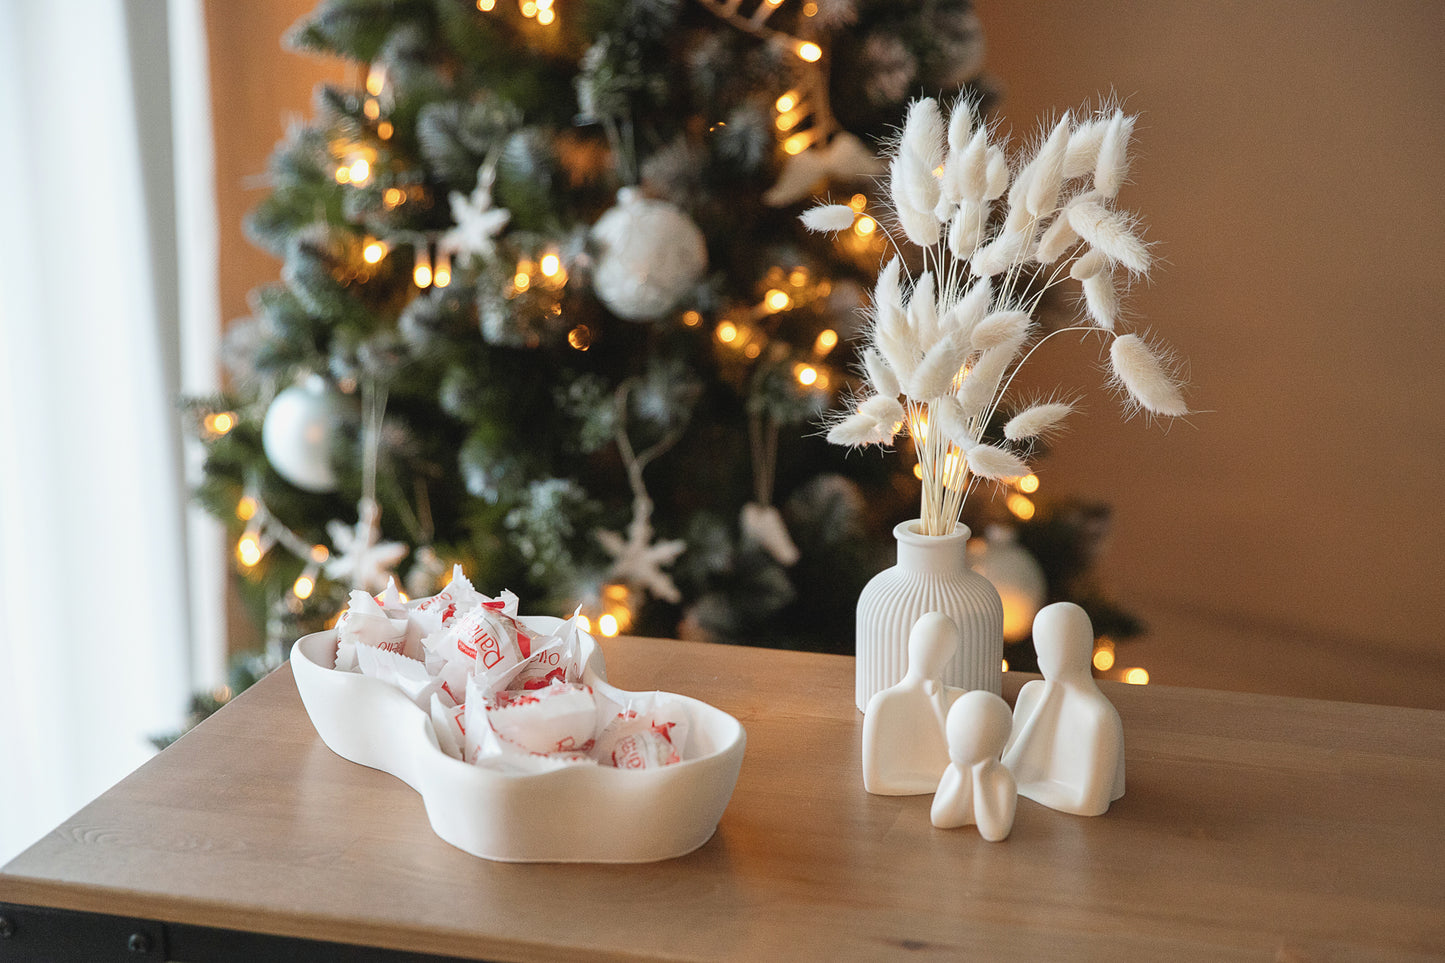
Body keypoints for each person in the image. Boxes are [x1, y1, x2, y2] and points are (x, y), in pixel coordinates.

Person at [1002, 602, 1125, 816]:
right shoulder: (1032, 694)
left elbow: (1090, 804)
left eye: (1050, 648)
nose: (1041, 659)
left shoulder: (1098, 717)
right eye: (1039, 649)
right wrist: (1050, 696)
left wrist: (1024, 787)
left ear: (1078, 647)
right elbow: (1008, 770)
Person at [862, 612, 963, 795]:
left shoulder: (957, 700)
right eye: (926, 644)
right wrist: (945, 785)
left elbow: (964, 766)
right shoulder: (883, 703)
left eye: (943, 648)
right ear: (911, 645)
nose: (932, 653)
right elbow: (875, 782)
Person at [930, 690, 1017, 840]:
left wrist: (980, 779)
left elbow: (995, 832)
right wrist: (962, 776)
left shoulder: (1003, 779)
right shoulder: (953, 770)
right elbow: (939, 819)